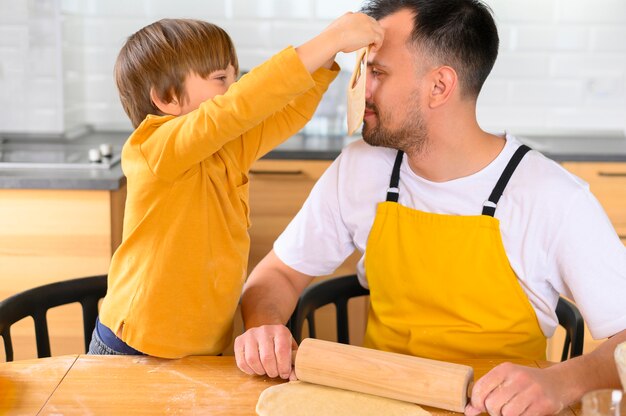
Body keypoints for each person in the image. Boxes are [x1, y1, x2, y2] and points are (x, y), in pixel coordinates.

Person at [234, 1, 626, 414]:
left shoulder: (553, 197)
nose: (361, 89)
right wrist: (266, 329)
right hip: (378, 402)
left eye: (378, 73)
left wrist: (559, 381)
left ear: (439, 86)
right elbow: (276, 274)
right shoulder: (360, 168)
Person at [88, 16, 384, 358]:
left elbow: (286, 113)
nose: (234, 88)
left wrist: (328, 61)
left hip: (203, 349)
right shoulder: (152, 148)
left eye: (234, 78)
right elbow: (238, 106)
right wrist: (331, 39)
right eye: (220, 80)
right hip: (134, 345)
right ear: (167, 97)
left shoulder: (225, 148)